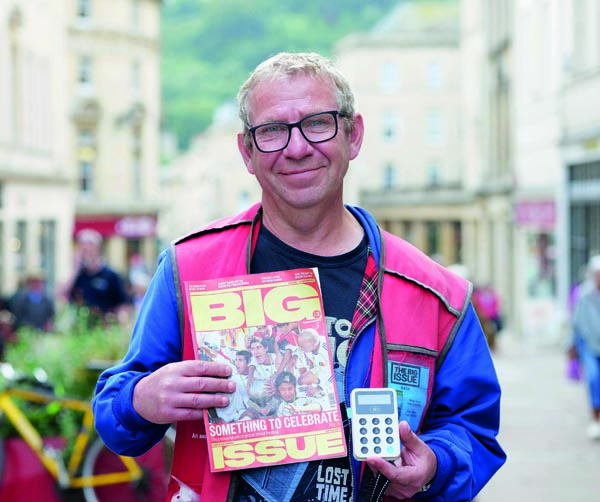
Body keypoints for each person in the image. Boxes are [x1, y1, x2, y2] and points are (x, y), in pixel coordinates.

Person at [93, 52, 505, 501]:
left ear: (354, 135)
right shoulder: (187, 267)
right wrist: (141, 400)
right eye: (272, 130)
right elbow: (117, 425)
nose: (297, 147)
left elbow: (474, 429)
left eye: (318, 123)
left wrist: (435, 464)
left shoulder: (437, 295)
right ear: (247, 152)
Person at [68, 228, 130, 323]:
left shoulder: (111, 276)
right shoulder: (79, 276)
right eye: (82, 247)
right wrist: (74, 270)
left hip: (105, 329)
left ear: (98, 248)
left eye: (89, 246)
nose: (85, 250)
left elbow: (122, 305)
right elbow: (61, 295)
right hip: (82, 329)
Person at [569, 255, 600, 440]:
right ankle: (595, 418)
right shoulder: (584, 294)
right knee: (594, 378)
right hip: (588, 345)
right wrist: (571, 345)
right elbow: (576, 322)